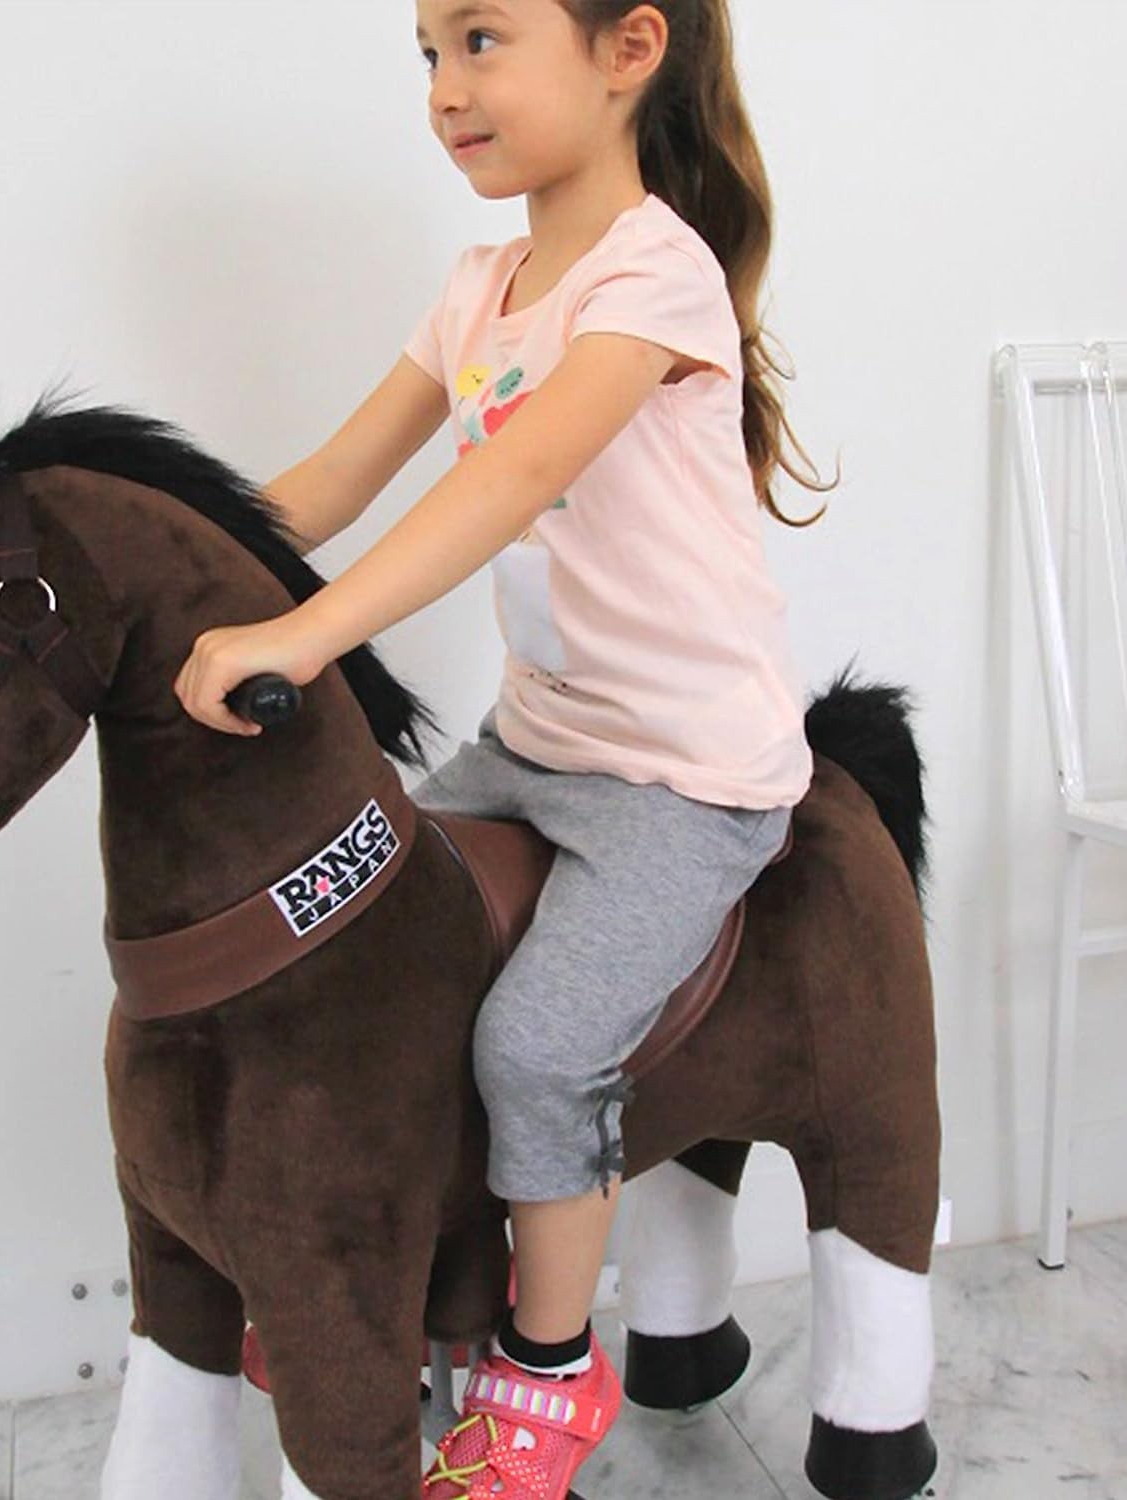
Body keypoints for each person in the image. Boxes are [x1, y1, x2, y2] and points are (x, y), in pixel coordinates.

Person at [174, 2, 836, 1494]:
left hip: (683, 775)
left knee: (535, 1047)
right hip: (535, 742)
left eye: (482, 39)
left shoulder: (655, 274)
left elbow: (519, 472)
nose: (445, 89)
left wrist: (307, 637)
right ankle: (390, 1277)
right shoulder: (478, 288)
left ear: (628, 50)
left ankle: (548, 1370)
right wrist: (167, 570)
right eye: (427, 53)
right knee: (347, 930)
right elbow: (325, 484)